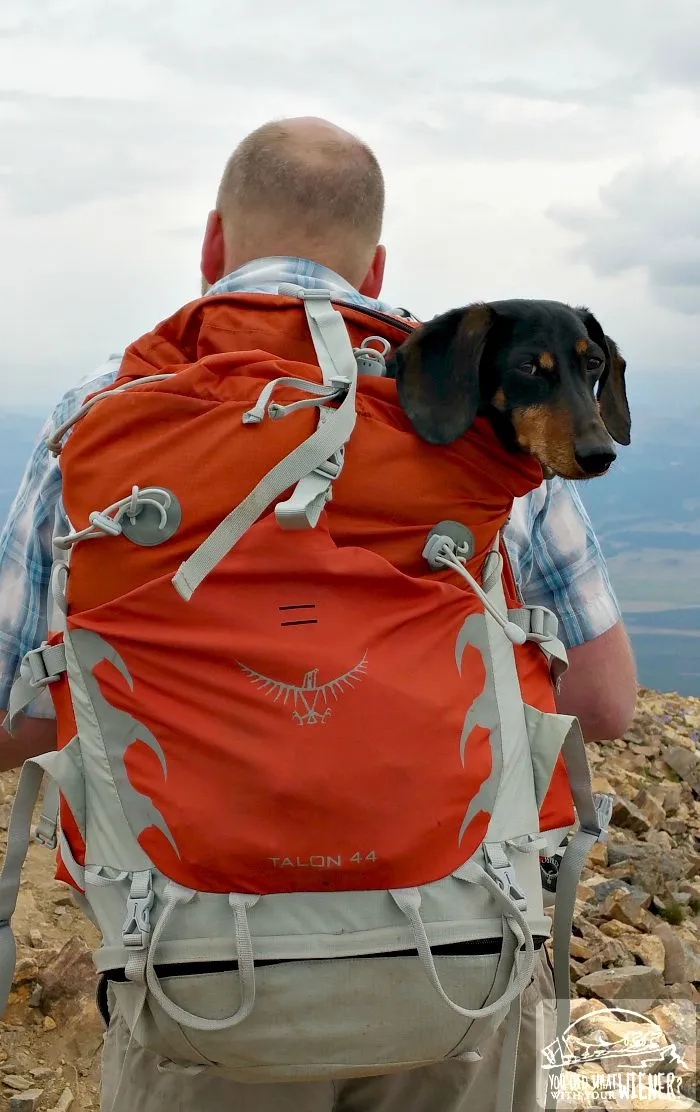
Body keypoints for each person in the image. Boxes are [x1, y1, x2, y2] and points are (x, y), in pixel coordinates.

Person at [0, 117, 637, 1111]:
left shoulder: (100, 410)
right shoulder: (482, 421)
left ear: (214, 246)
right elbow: (602, 704)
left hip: (198, 975)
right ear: (377, 262)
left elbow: (16, 717)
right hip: (453, 956)